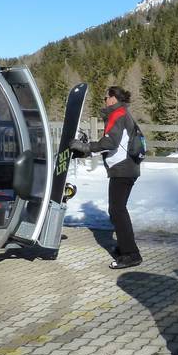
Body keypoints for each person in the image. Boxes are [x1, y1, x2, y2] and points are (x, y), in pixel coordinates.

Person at [70, 86, 142, 269]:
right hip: (126, 167)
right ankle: (126, 248)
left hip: (123, 168)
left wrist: (86, 147)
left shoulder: (117, 114)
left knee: (117, 210)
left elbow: (110, 142)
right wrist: (88, 152)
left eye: (105, 97)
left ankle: (131, 254)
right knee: (117, 210)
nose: (104, 101)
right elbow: (113, 144)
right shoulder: (122, 113)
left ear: (113, 99)